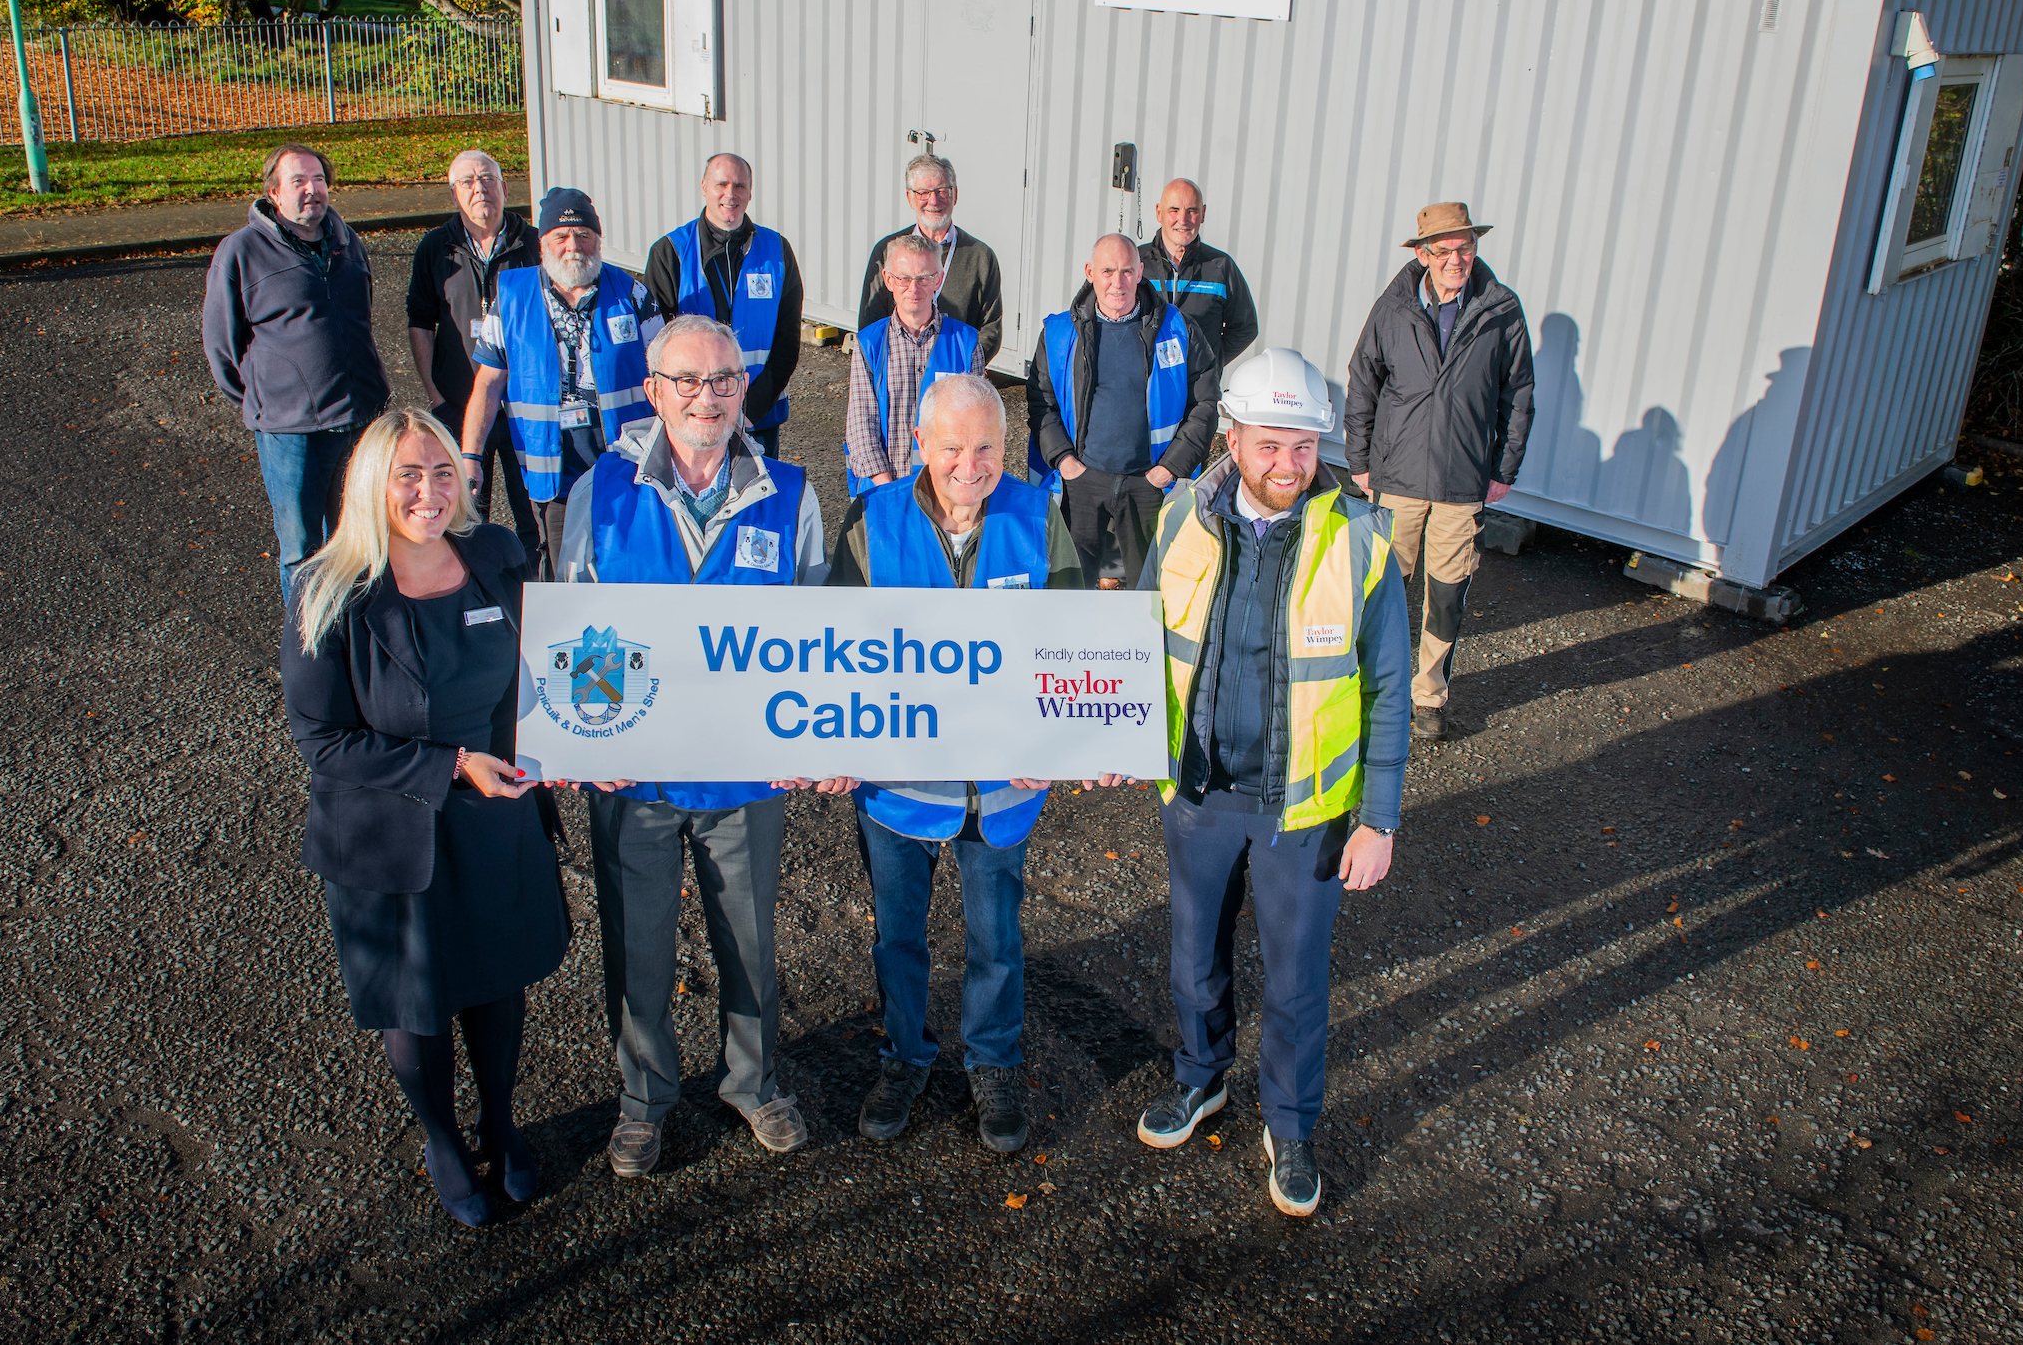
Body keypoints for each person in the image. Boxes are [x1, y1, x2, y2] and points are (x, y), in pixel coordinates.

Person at [1116, 349, 1408, 1219]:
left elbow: (1388, 684)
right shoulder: (1180, 519)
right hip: (1199, 794)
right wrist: (1108, 735)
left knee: (1296, 979)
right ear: (1233, 439)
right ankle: (1200, 1079)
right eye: (1271, 447)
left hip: (1304, 809)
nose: (1289, 466)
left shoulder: (1358, 538)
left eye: (1303, 448)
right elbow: (1134, 643)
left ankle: (1289, 1121)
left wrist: (1379, 817)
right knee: (1193, 957)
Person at [278, 407, 570, 1229]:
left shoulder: (494, 555)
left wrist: (586, 741)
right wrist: (448, 766)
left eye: (443, 471)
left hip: (495, 818)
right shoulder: (329, 591)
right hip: (391, 834)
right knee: (417, 1002)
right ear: (373, 482)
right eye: (409, 474)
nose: (430, 491)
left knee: (495, 984)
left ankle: (501, 1117)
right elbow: (322, 739)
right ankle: (443, 1138)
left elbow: (549, 663)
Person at [557, 314, 829, 1176]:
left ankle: (752, 1082)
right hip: (635, 772)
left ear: (742, 389)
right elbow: (570, 622)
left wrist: (818, 732)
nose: (705, 396)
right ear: (653, 391)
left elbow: (821, 633)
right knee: (636, 944)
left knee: (748, 941)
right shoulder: (601, 490)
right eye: (685, 380)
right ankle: (644, 1100)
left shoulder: (791, 493)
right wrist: (583, 741)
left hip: (748, 771)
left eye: (721, 380)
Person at [821, 374, 1084, 1152]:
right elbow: (829, 650)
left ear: (1007, 448)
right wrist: (831, 745)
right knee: (898, 937)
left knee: (994, 937)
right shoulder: (875, 521)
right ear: (919, 449)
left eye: (986, 449)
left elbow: (1070, 639)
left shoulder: (1037, 514)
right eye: (951, 449)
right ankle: (904, 1053)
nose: (970, 466)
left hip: (999, 789)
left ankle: (993, 1058)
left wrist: (1057, 740)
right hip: (899, 785)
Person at [1343, 202, 1535, 740]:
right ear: (1423, 254)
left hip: (1462, 479)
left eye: (1465, 248)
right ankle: (1370, 687)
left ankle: (1428, 696)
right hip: (1397, 475)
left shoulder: (1500, 310)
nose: (1457, 259)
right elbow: (1364, 383)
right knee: (1380, 590)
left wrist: (1504, 469)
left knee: (1447, 593)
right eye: (1445, 250)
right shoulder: (1394, 307)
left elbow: (1518, 397)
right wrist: (1359, 461)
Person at [203, 143, 389, 604]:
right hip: (293, 433)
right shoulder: (241, 252)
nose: (312, 190)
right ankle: (310, 652)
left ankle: (355, 641)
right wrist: (270, 402)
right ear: (273, 192)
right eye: (299, 182)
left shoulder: (348, 241)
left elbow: (359, 317)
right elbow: (222, 347)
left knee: (360, 540)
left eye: (319, 180)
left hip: (360, 418)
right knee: (302, 550)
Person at [461, 187, 662, 582]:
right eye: (561, 237)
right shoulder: (511, 299)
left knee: (627, 567)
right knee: (562, 572)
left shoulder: (634, 295)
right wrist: (470, 457)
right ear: (543, 244)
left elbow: (667, 375)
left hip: (625, 464)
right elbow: (487, 385)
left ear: (598, 240)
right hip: (551, 470)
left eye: (584, 235)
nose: (574, 246)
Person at [1025, 232, 1220, 589]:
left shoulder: (1177, 330)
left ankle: (1132, 647)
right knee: (1070, 585)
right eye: (1108, 271)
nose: (1118, 282)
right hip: (1082, 483)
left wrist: (1168, 469)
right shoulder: (1058, 333)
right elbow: (1041, 403)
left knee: (1147, 590)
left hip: (1148, 484)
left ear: (1141, 271)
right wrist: (1066, 462)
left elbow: (1205, 406)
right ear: (1090, 272)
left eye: (1128, 271)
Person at [406, 150, 541, 561]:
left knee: (534, 515)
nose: (479, 188)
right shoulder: (435, 249)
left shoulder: (533, 244)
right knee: (464, 517)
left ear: (504, 187)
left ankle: (532, 594)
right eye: (467, 181)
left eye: (488, 179)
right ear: (453, 194)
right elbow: (420, 322)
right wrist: (436, 395)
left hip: (524, 407)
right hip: (460, 408)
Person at [642, 154, 805, 459]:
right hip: (696, 415)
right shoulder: (670, 253)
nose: (730, 194)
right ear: (704, 187)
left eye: (740, 186)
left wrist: (749, 409)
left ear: (750, 192)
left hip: (758, 417)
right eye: (721, 184)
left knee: (759, 501)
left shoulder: (777, 250)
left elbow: (788, 341)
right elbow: (656, 346)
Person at [844, 232, 986, 496]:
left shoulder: (965, 344)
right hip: (884, 490)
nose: (914, 288)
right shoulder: (869, 344)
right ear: (888, 280)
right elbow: (861, 427)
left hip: (947, 495)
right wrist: (891, 491)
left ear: (938, 280)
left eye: (924, 278)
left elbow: (976, 427)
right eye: (904, 278)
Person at [854, 153, 1006, 362]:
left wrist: (962, 365)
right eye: (923, 193)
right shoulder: (888, 250)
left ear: (955, 194)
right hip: (898, 372)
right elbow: (870, 322)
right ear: (909, 197)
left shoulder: (980, 256)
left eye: (942, 191)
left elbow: (991, 329)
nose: (933, 201)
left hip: (956, 377)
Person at [1140, 178, 1258, 366]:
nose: (1183, 220)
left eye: (1192, 211)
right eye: (1174, 210)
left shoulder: (1221, 266)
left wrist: (1209, 363)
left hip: (1199, 392)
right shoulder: (1135, 264)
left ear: (1202, 214)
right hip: (1146, 387)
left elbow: (1245, 327)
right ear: (1158, 212)